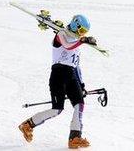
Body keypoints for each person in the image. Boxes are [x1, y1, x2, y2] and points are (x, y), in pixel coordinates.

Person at [18, 14, 97, 149]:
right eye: (81, 30)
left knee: (79, 104)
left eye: (84, 32)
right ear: (75, 25)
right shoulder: (61, 34)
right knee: (57, 109)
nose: (81, 34)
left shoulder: (76, 42)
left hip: (72, 75)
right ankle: (28, 125)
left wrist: (82, 85)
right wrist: (82, 41)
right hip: (58, 74)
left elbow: (76, 65)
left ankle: (74, 138)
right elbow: (67, 46)